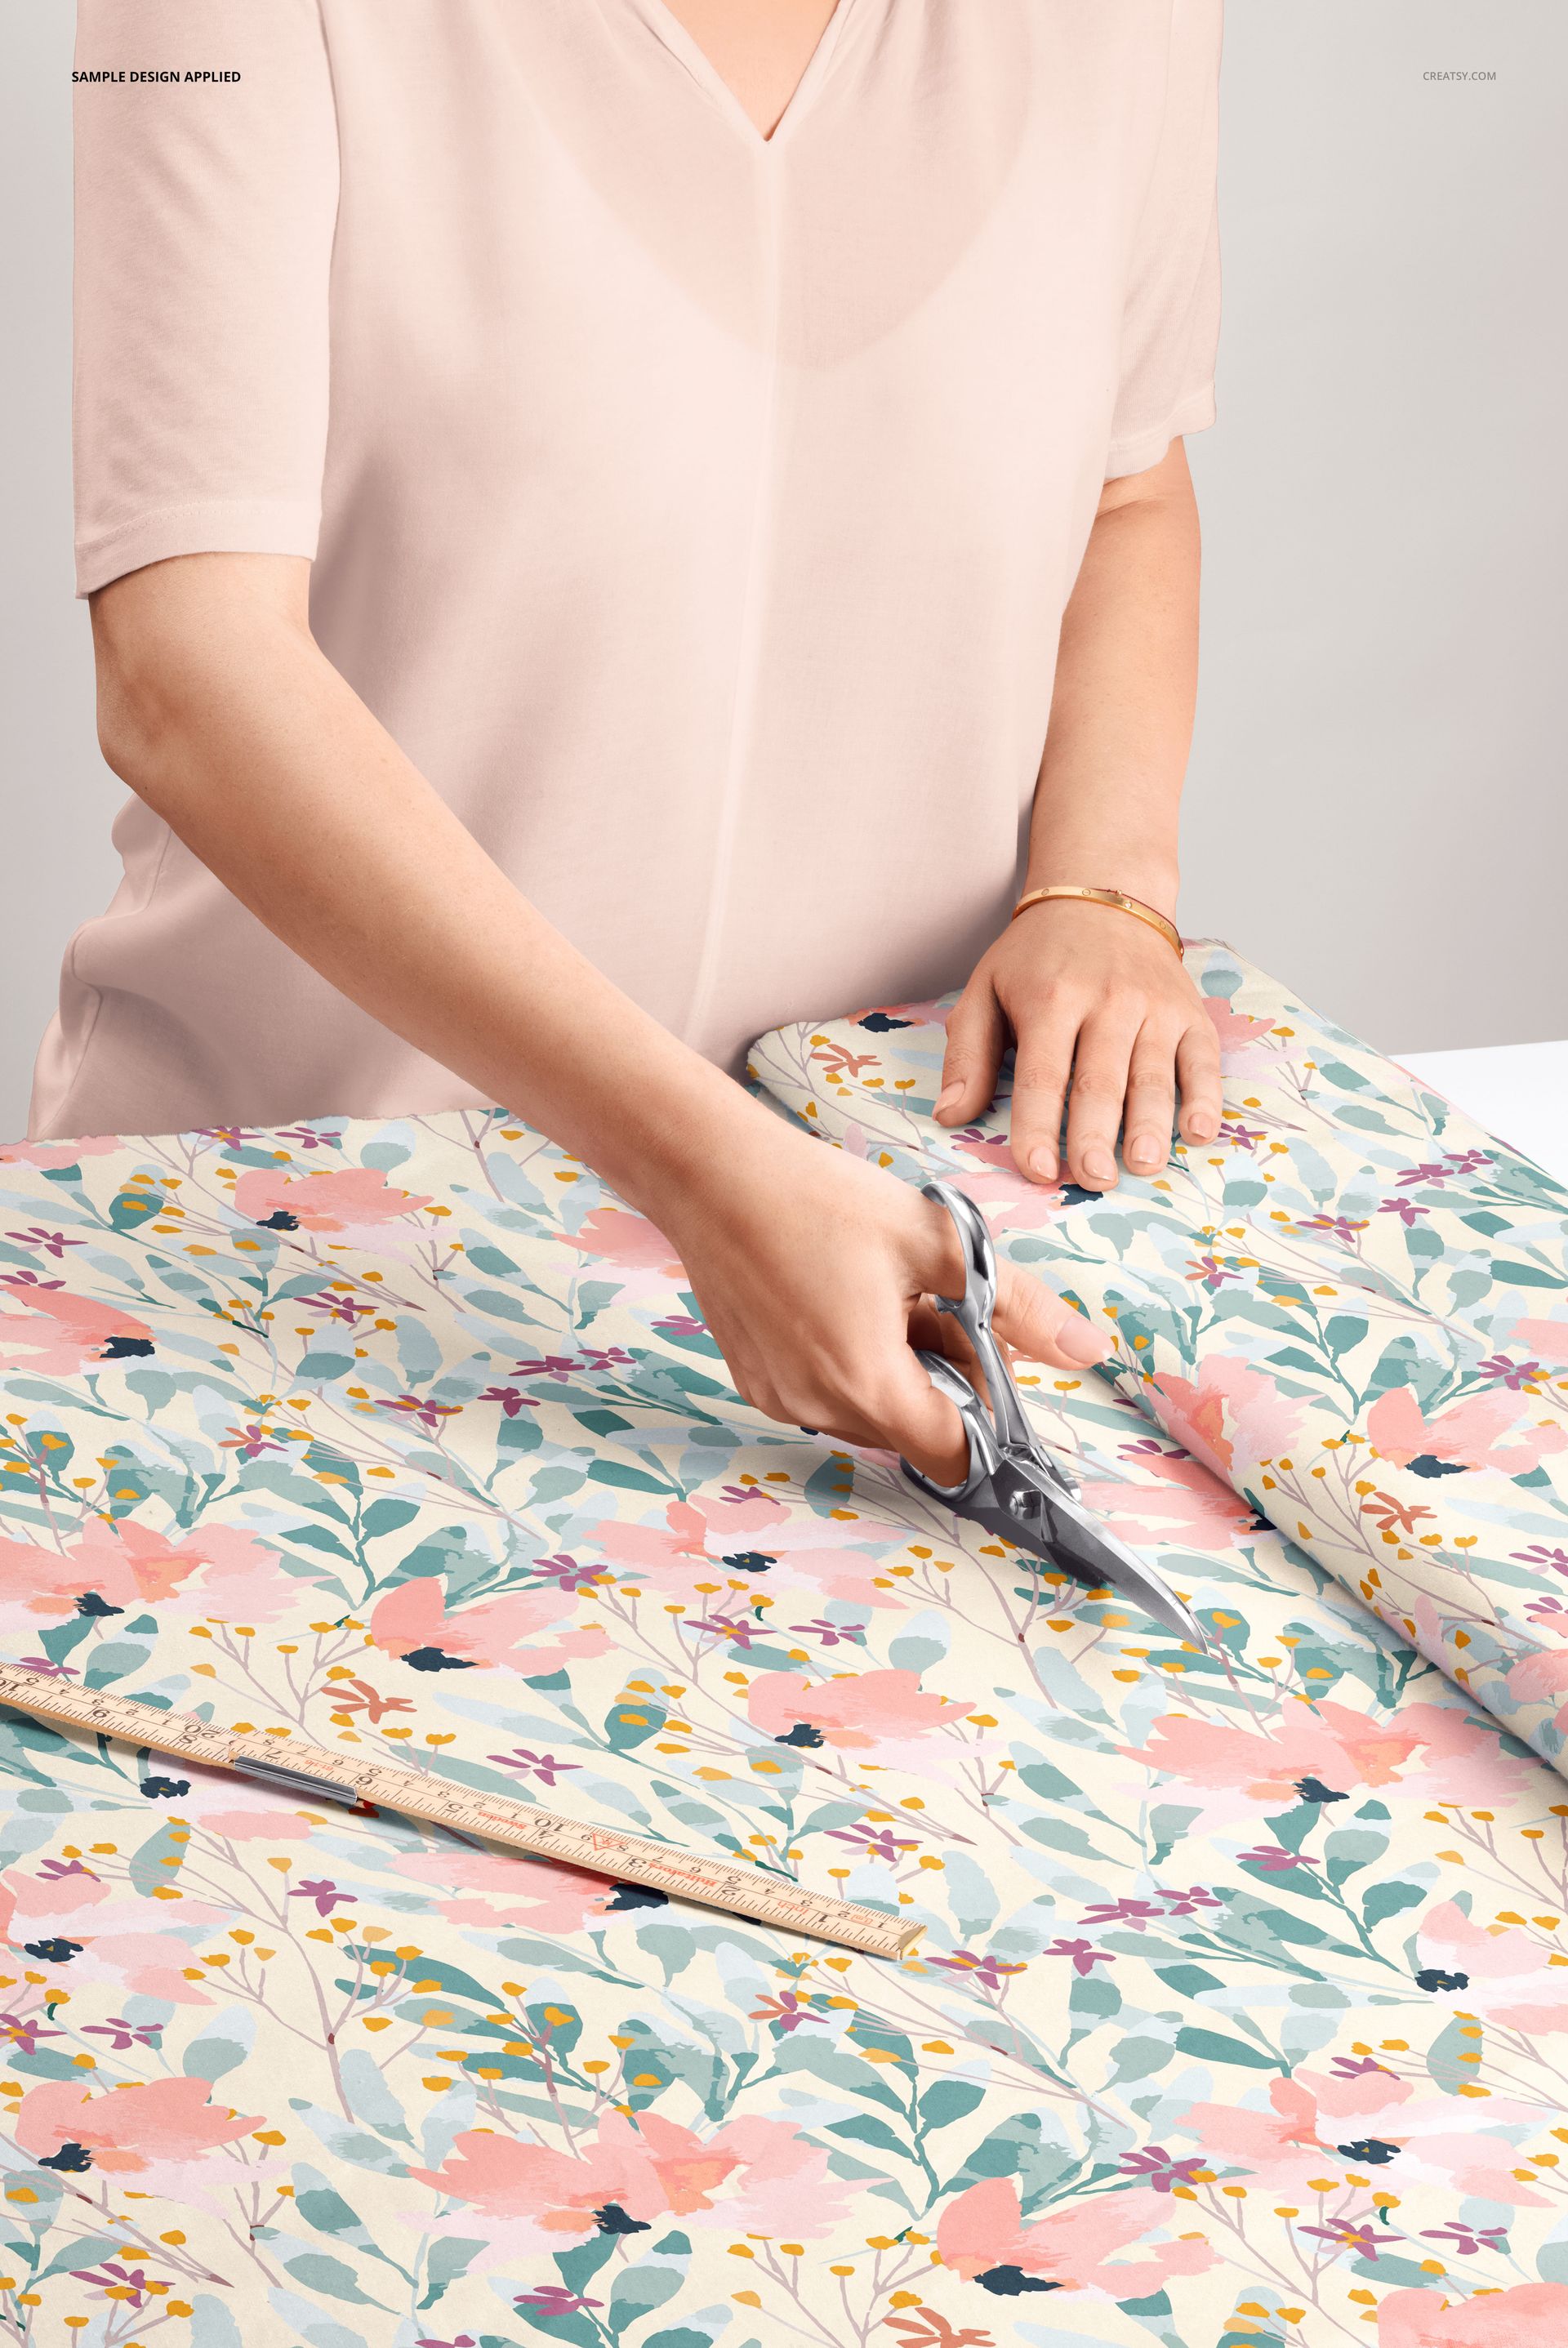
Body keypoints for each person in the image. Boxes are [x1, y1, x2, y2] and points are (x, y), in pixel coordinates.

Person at [38, 0, 1226, 1486]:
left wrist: (1104, 886)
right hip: (296, 1262)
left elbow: (1128, 485)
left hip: (900, 1260)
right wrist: (707, 1174)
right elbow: (184, 661)